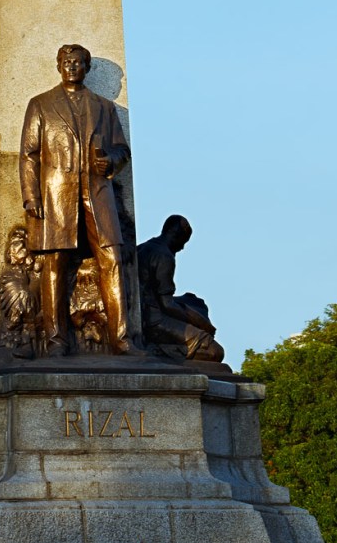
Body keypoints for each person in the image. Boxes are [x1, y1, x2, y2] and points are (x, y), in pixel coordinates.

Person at [20, 43, 135, 356]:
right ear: (59, 66)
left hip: (97, 192)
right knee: (54, 263)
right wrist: (31, 196)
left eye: (78, 62)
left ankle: (121, 339)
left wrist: (110, 162)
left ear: (87, 68)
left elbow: (122, 150)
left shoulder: (104, 107)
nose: (72, 67)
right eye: (67, 62)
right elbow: (29, 155)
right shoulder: (41, 104)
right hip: (57, 194)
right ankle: (56, 340)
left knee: (111, 259)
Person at [137, 215, 225, 362]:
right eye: (183, 242)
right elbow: (167, 304)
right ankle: (156, 351)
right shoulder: (164, 256)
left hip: (148, 311)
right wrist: (200, 323)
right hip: (155, 321)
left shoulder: (143, 247)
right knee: (215, 352)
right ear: (174, 235)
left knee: (195, 302)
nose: (182, 248)